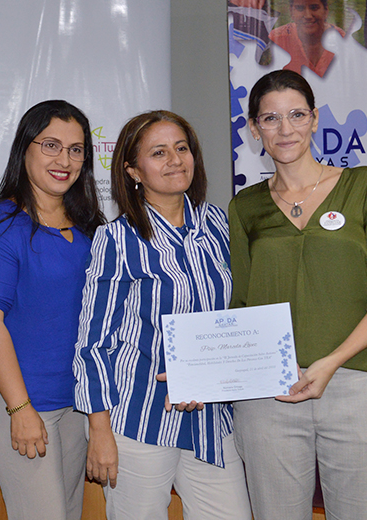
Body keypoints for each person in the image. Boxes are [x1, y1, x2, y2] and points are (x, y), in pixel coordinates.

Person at [229, 69, 367, 519]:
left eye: (296, 114)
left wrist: (330, 362)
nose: (285, 128)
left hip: (360, 384)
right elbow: (240, 306)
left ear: (315, 119)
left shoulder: (365, 186)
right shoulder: (244, 207)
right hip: (270, 395)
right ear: (255, 129)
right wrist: (201, 371)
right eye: (270, 119)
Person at [74, 110, 252, 520]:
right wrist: (99, 430)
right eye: (159, 152)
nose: (175, 159)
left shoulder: (218, 223)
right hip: (139, 419)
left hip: (210, 419)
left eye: (182, 148)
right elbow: (93, 343)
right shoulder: (116, 239)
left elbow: (233, 318)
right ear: (133, 170)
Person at [0, 100, 105, 520]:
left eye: (76, 149)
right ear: (24, 148)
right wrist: (20, 409)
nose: (64, 160)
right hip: (19, 399)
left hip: (75, 401)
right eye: (50, 145)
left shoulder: (89, 227)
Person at [269, 0, 345, 77]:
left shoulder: (342, 40)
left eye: (314, 8)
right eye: (300, 8)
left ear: (326, 11)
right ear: (291, 12)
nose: (308, 16)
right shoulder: (275, 39)